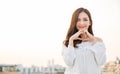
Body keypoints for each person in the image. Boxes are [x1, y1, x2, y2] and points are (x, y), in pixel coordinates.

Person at [62, 7, 106, 74]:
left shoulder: (98, 41)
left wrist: (94, 41)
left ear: (90, 22)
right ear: (74, 22)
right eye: (78, 20)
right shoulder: (67, 42)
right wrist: (71, 40)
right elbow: (69, 63)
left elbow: (102, 62)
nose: (82, 23)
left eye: (85, 19)